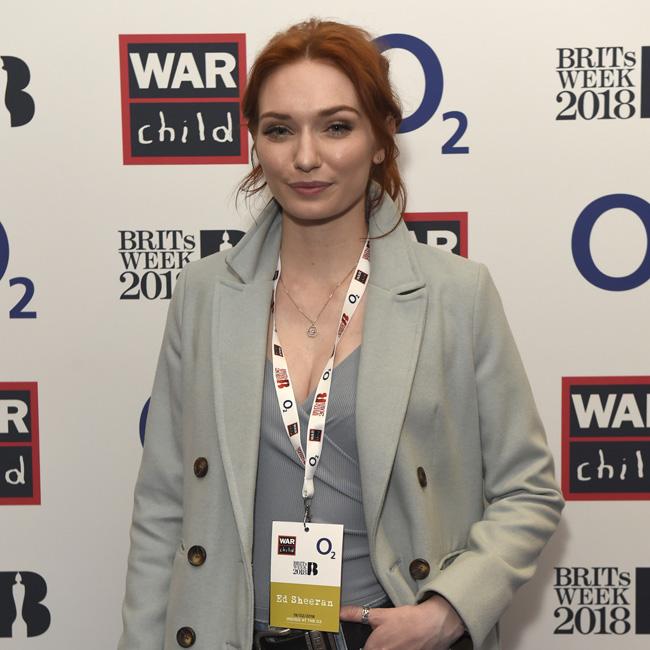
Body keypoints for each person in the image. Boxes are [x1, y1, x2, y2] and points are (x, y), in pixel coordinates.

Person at [118, 18, 564, 650]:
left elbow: (529, 490)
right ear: (256, 143)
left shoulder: (457, 295)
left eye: (336, 126)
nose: (306, 157)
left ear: (380, 139)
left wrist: (447, 611)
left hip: (389, 636)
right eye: (280, 129)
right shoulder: (203, 295)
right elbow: (163, 507)